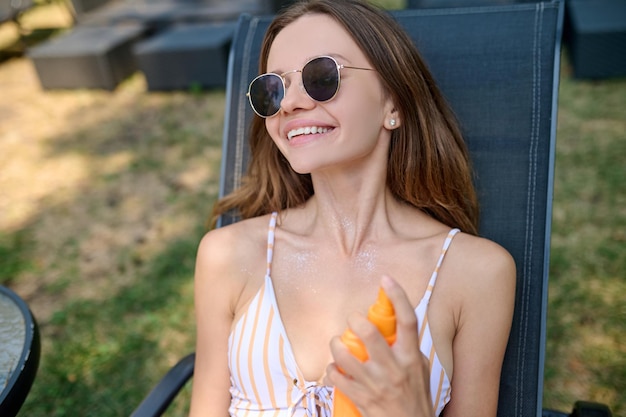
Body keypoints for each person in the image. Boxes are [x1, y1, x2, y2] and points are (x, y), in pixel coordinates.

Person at [189, 0, 516, 416]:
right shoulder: (228, 256)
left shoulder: (476, 274)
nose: (290, 104)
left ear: (393, 104)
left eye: (321, 77)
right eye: (273, 89)